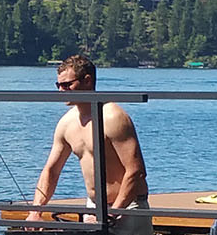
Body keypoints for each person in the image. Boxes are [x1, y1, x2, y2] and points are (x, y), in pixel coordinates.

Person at [28, 55, 146, 214]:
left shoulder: (112, 117)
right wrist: (36, 211)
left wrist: (115, 213)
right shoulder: (66, 123)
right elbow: (51, 171)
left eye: (67, 85)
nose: (61, 90)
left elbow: (135, 171)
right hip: (94, 206)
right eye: (58, 85)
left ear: (87, 81)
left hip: (129, 206)